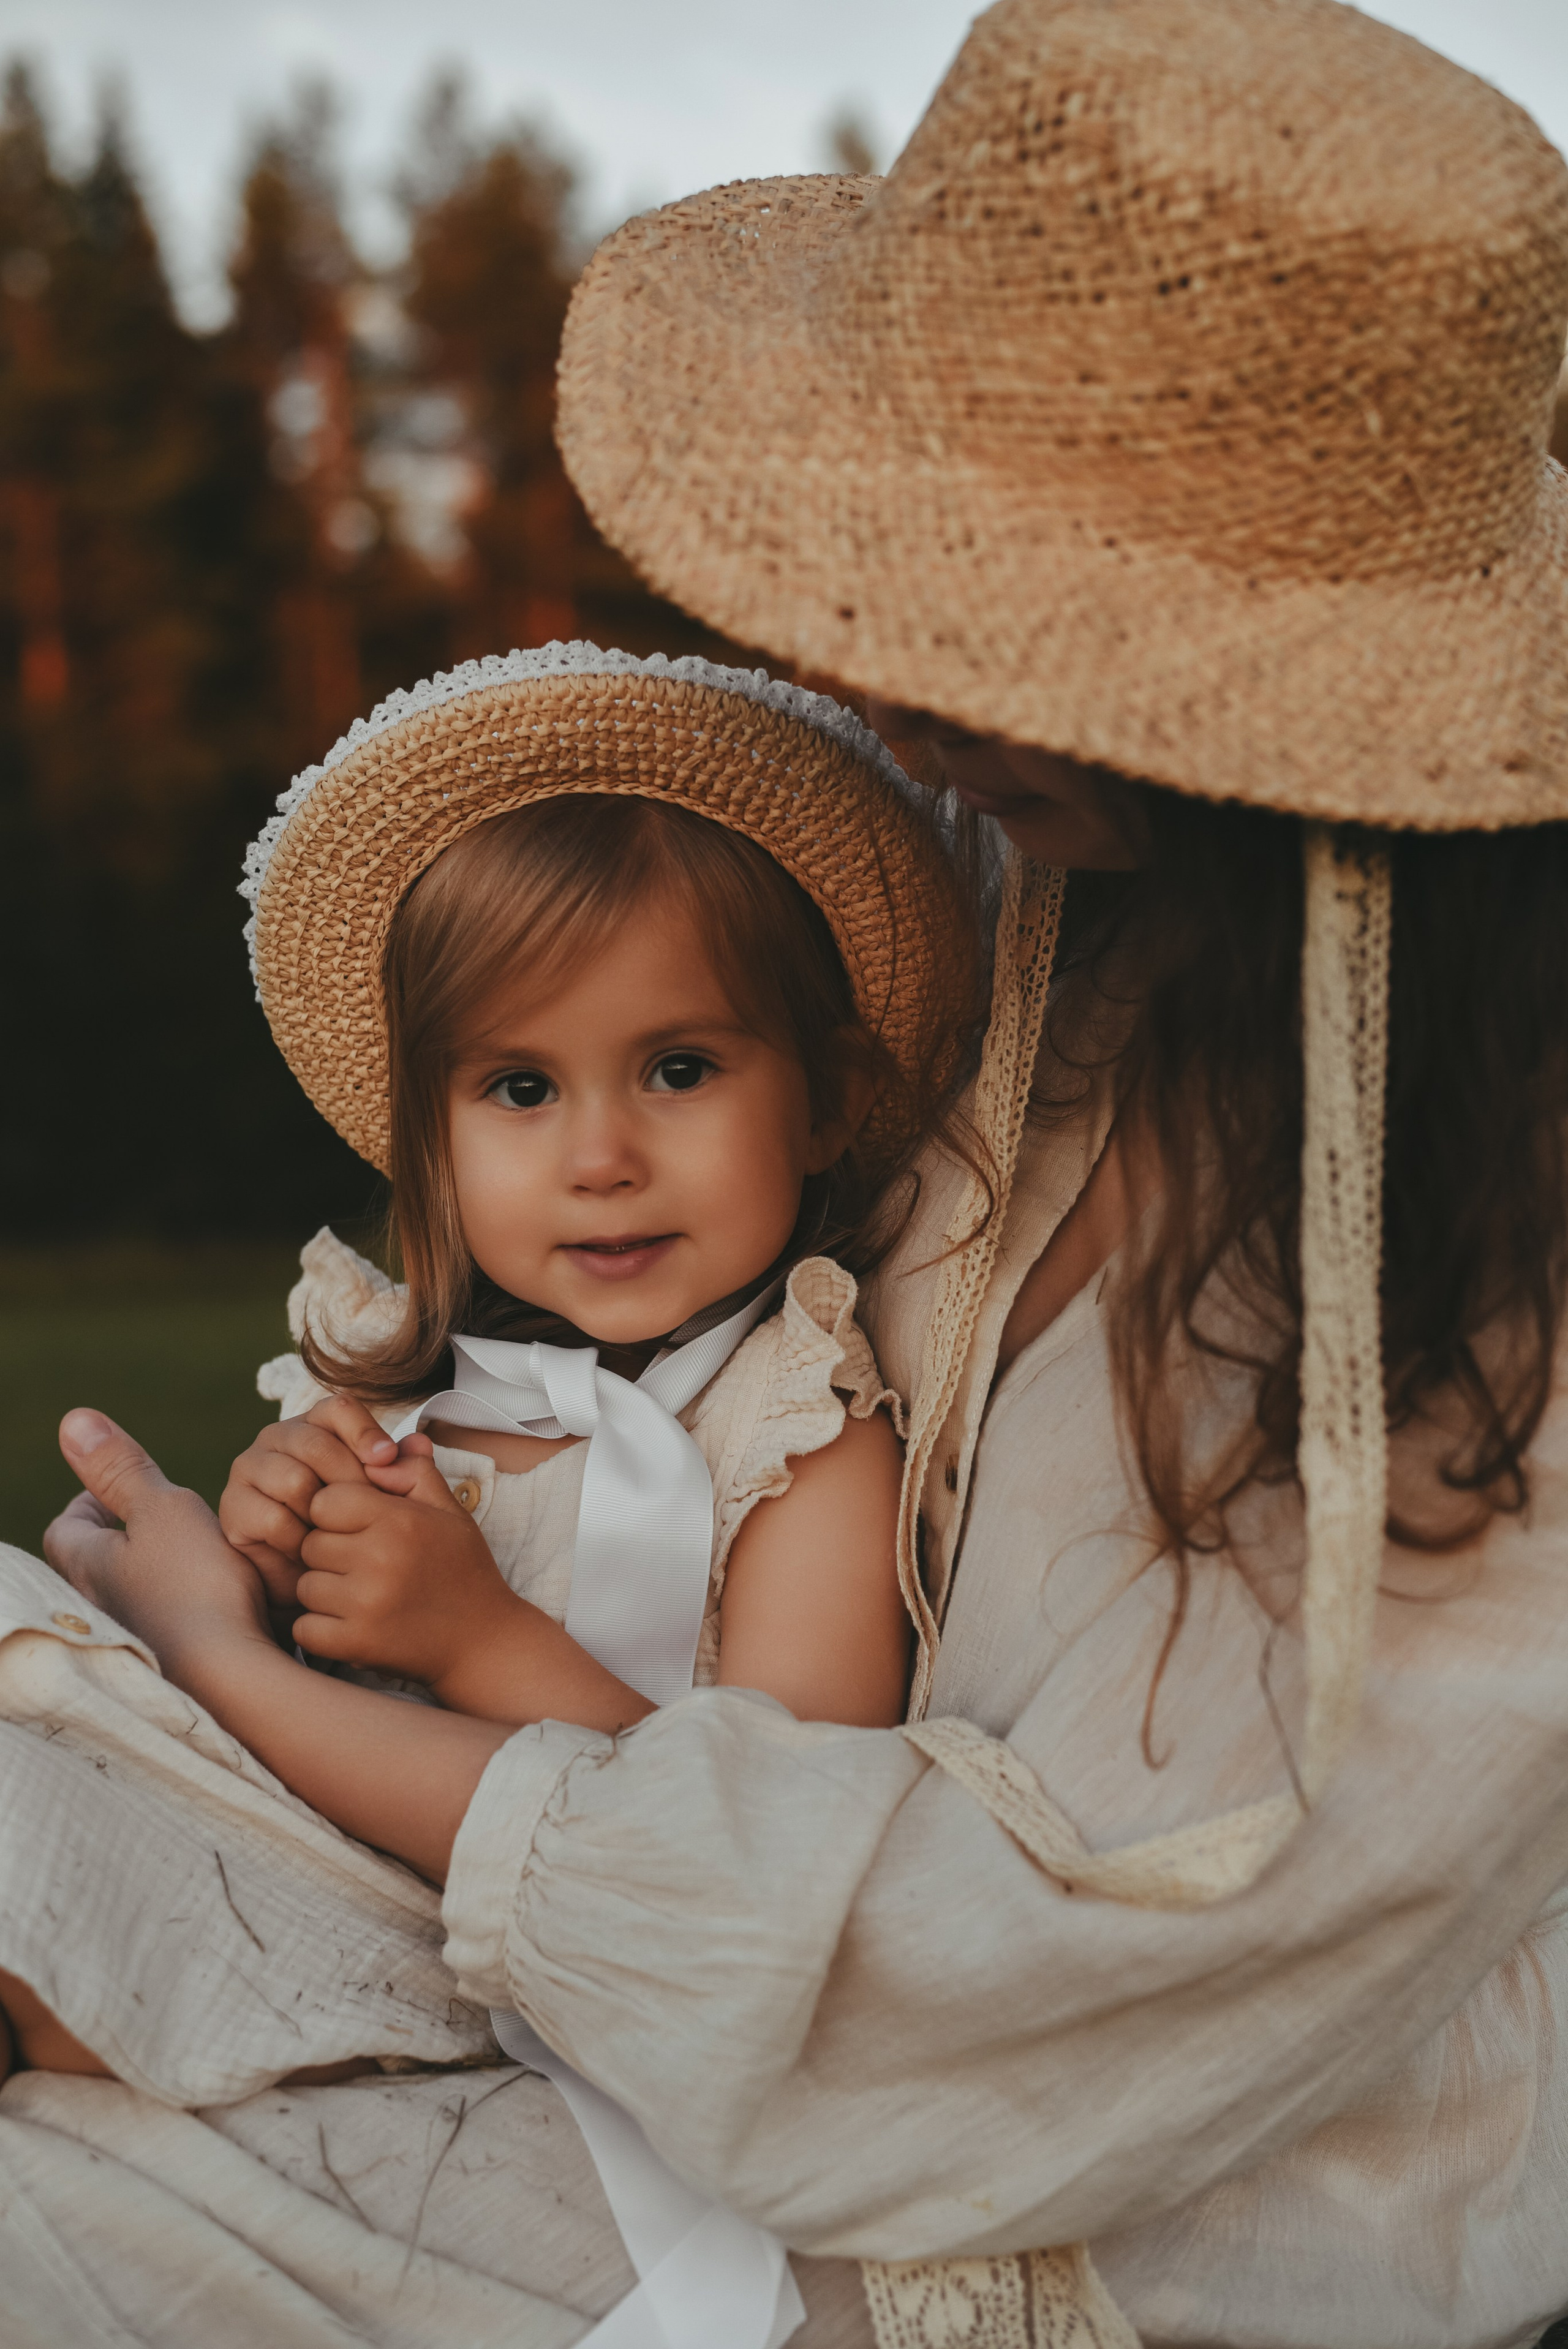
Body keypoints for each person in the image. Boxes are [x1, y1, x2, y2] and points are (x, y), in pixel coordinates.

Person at [8, 2, 1568, 2344]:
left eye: (1003, 618)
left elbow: (968, 1999)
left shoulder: (1485, 1296)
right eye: (893, 561)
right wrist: (292, 1581)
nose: (891, 685)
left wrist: (261, 1673)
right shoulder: (1037, 908)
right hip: (619, 1955)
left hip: (1029, 2197)